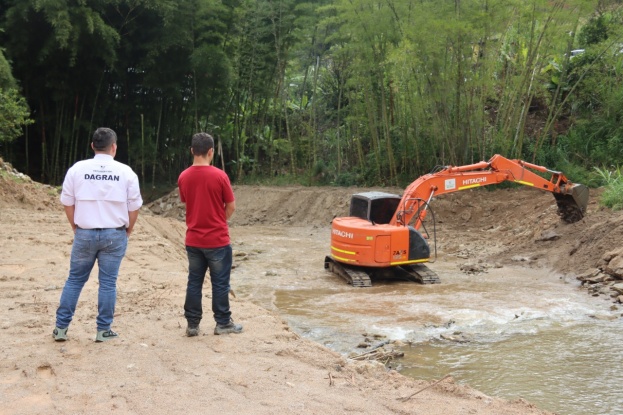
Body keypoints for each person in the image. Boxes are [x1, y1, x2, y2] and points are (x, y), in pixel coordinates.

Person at [52, 127, 142, 343]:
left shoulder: (77, 169)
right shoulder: (126, 172)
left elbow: (67, 201)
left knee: (74, 280)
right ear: (114, 147)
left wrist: (75, 226)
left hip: (85, 232)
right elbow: (134, 205)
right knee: (108, 283)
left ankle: (61, 328)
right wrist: (128, 228)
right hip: (115, 234)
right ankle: (103, 330)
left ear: (93, 146)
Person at [178, 132, 242, 337]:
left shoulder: (184, 176)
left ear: (192, 151)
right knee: (220, 282)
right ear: (211, 151)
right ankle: (222, 323)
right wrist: (218, 221)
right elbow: (231, 206)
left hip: (193, 239)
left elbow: (188, 202)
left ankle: (193, 324)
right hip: (217, 240)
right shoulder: (220, 176)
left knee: (194, 281)